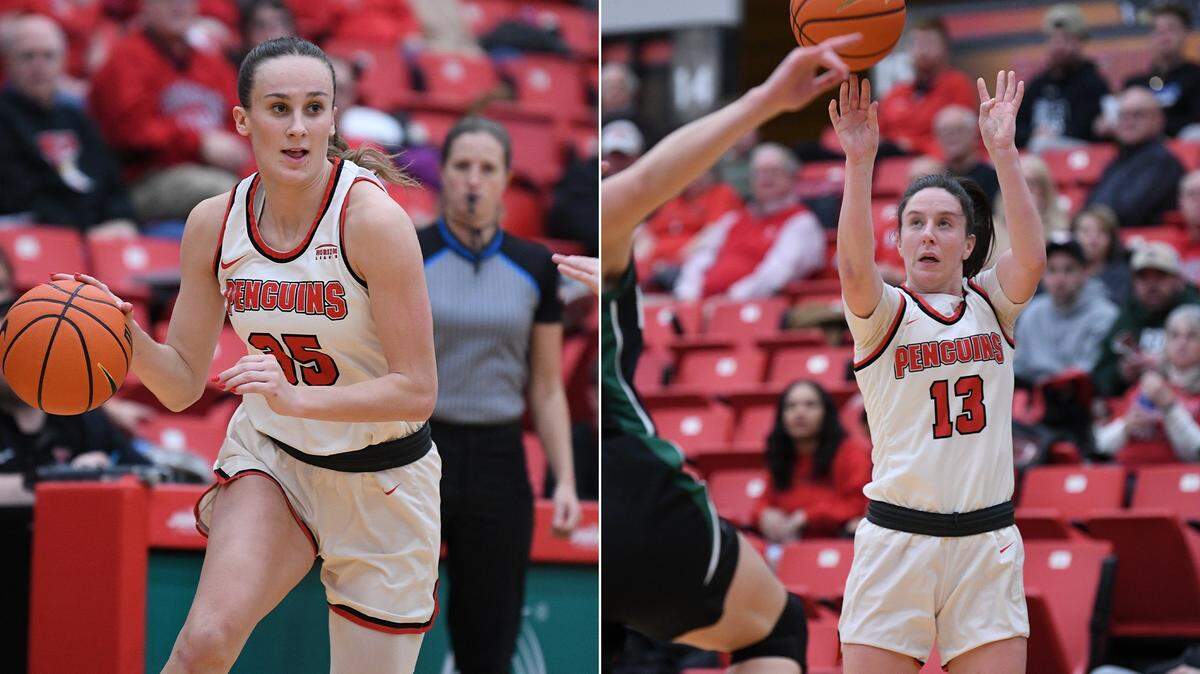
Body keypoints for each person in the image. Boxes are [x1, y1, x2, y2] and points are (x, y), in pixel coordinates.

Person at [63, 37, 441, 673]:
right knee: (205, 643)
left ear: (333, 118)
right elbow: (182, 384)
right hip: (275, 456)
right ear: (242, 120)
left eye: (314, 108)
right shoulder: (214, 222)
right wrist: (123, 337)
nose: (298, 128)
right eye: (279, 108)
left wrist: (299, 397)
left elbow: (417, 390)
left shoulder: (372, 221)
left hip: (384, 475)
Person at [603, 35, 858, 674]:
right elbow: (649, 180)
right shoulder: (599, 228)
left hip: (547, 492)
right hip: (625, 482)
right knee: (777, 628)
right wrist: (766, 99)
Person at [829, 71, 1045, 672]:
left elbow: (1032, 258)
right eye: (916, 223)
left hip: (986, 541)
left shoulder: (991, 303)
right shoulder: (884, 314)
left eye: (945, 223)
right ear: (897, 240)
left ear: (968, 244)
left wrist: (1003, 152)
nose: (929, 234)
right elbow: (853, 269)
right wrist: (859, 163)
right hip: (897, 540)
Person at [418, 116, 582, 674]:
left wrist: (565, 479)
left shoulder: (535, 266)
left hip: (500, 458)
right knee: (392, 614)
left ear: (507, 179)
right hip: (415, 451)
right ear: (443, 173)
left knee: (490, 633)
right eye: (462, 165)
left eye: (487, 168)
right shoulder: (408, 254)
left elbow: (547, 385)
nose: (474, 179)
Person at [89, 0, 250, 224]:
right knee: (232, 195)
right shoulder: (125, 58)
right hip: (144, 179)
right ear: (144, 6)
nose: (178, 5)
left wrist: (236, 146)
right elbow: (132, 133)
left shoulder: (211, 62)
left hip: (212, 171)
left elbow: (241, 120)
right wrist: (199, 143)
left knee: (272, 190)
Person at [0, 14, 137, 239]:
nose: (38, 66)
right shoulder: (5, 120)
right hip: (36, 237)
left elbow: (110, 182)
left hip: (92, 235)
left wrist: (120, 218)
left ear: (63, 62)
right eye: (28, 56)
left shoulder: (77, 119)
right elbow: (18, 195)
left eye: (48, 56)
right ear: (8, 62)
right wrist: (83, 231)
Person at [674, 143, 825, 301]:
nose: (765, 178)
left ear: (791, 177)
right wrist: (689, 296)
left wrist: (730, 300)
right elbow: (701, 257)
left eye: (773, 171)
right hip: (703, 303)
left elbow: (778, 273)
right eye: (758, 172)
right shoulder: (733, 219)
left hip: (755, 306)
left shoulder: (802, 223)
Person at [754, 380, 872, 543]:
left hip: (837, 542)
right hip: (785, 543)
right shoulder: (780, 453)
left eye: (810, 405)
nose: (799, 412)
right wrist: (764, 514)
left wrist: (806, 517)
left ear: (826, 412)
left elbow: (858, 504)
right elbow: (763, 501)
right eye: (791, 406)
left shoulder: (850, 451)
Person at [1095, 303, 1200, 464]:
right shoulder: (1148, 384)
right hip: (1128, 473)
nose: (1182, 343)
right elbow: (1101, 446)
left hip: (1179, 476)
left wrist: (1170, 409)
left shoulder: (1157, 388)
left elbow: (1195, 453)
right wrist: (1127, 425)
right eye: (1174, 335)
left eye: (1192, 336)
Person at [1093, 241, 1200, 398]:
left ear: (1178, 280)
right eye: (1143, 278)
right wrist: (1121, 374)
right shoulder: (1128, 315)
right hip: (1136, 405)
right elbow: (1100, 374)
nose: (1152, 285)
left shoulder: (1194, 312)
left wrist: (1165, 365)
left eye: (1160, 277)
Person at [1014, 237, 1118, 385]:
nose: (1060, 279)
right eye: (1052, 270)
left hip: (1082, 393)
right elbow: (1018, 367)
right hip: (1034, 392)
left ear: (1085, 272)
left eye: (1069, 270)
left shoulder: (1105, 315)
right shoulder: (1032, 313)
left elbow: (1092, 373)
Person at [1086, 86, 1185, 228]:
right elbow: (1091, 204)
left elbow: (1128, 212)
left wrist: (1091, 222)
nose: (1128, 121)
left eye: (1137, 114)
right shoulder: (1117, 160)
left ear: (1158, 119)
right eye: (1122, 115)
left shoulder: (1162, 162)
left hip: (1143, 238)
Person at [876, 18, 976, 157]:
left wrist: (913, 145)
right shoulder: (896, 92)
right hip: (889, 160)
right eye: (917, 43)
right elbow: (878, 134)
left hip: (937, 161)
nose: (922, 51)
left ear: (945, 48)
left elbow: (961, 139)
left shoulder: (958, 85)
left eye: (929, 43)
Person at [1015, 3, 1109, 150]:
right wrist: (1032, 133)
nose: (1059, 46)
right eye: (1054, 39)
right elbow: (1016, 127)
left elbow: (1094, 131)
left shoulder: (1093, 83)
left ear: (1080, 42)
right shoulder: (1038, 84)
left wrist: (1052, 137)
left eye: (1066, 39)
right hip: (1035, 154)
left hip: (1078, 155)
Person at [636, 171, 743, 289]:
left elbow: (713, 232)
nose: (695, 177)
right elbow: (648, 232)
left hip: (689, 265)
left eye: (700, 172)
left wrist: (674, 259)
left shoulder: (720, 193)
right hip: (655, 265)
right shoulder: (674, 200)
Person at [1123, 0, 1200, 138]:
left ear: (1186, 33)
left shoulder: (1195, 77)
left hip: (1182, 144)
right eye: (1157, 30)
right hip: (1141, 145)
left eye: (1171, 29)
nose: (1164, 36)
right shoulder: (1135, 84)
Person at [933, 105, 999, 200]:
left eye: (958, 129)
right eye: (943, 131)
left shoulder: (995, 178)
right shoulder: (936, 179)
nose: (950, 136)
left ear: (975, 134)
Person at [1071, 204, 1131, 305]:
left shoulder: (1122, 276)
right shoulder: (1059, 270)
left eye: (1102, 231)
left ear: (1112, 239)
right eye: (1085, 231)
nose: (1093, 238)